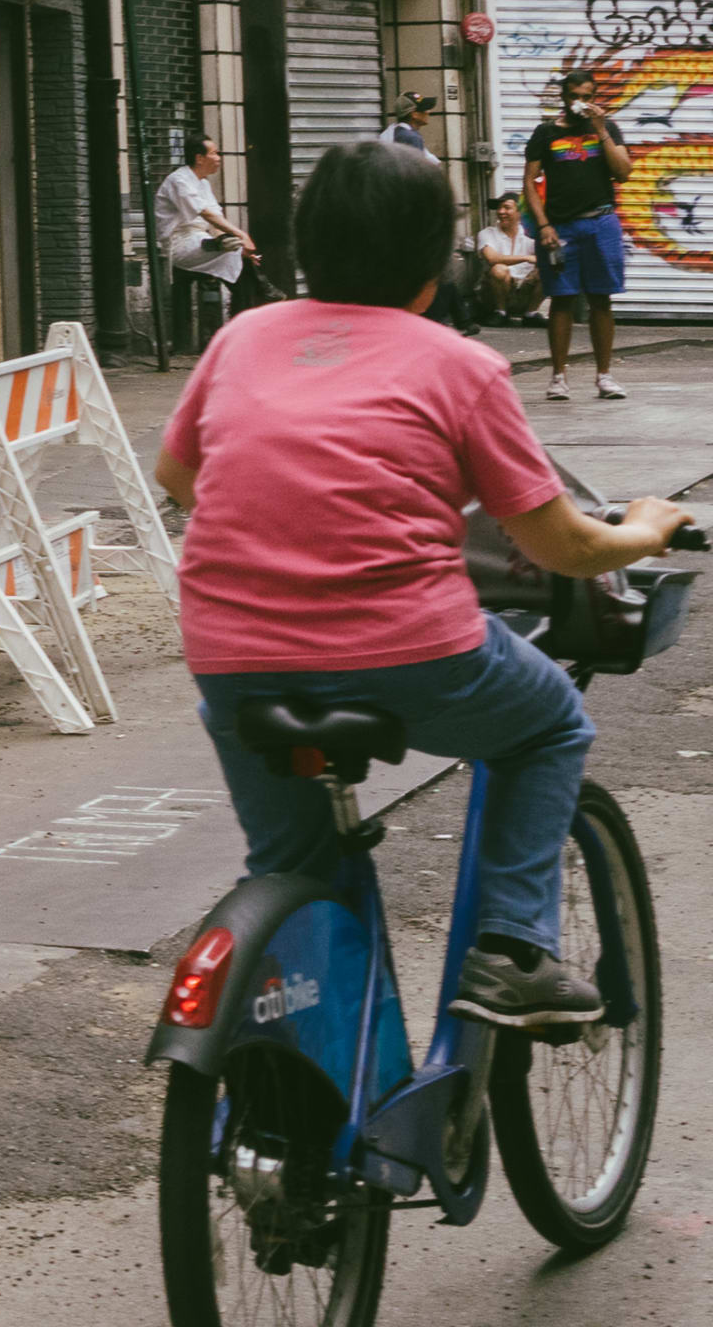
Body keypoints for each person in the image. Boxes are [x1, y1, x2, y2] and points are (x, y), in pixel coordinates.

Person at [153, 138, 694, 1030]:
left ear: (303, 244)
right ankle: (514, 949)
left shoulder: (242, 336)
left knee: (295, 867)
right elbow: (561, 546)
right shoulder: (461, 366)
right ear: (434, 267)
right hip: (409, 652)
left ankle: (309, 1103)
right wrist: (645, 526)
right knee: (551, 722)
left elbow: (181, 480)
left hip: (232, 658)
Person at [524, 64, 633, 402]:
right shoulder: (546, 133)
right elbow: (529, 181)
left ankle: (604, 376)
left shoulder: (608, 127)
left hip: (601, 222)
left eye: (586, 97)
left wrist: (600, 129)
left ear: (594, 98)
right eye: (574, 97)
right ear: (563, 97)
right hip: (561, 227)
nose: (580, 103)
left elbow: (624, 173)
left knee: (601, 299)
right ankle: (559, 378)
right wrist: (543, 226)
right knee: (563, 299)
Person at [153, 136, 264, 353]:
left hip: (200, 240)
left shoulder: (203, 183)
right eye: (214, 153)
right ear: (199, 158)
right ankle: (244, 328)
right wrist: (241, 236)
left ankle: (243, 329)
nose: (218, 158)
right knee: (235, 255)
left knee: (237, 253)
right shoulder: (179, 180)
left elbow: (216, 219)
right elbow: (203, 212)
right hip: (179, 245)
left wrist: (239, 244)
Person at [469, 194, 543, 328]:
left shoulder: (531, 235)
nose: (500, 212)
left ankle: (531, 314)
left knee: (548, 270)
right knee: (499, 269)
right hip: (493, 295)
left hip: (524, 293)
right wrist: (526, 258)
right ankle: (500, 312)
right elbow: (492, 258)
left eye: (506, 208)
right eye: (499, 208)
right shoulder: (487, 233)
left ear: (519, 212)